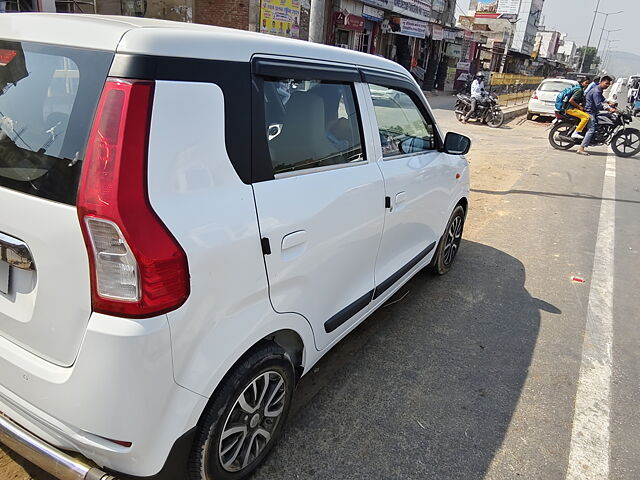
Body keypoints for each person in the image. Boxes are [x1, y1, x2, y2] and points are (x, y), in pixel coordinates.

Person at [577, 76, 616, 156]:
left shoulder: (599, 90)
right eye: (606, 83)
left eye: (608, 84)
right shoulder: (596, 91)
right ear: (601, 82)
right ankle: (581, 148)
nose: (607, 85)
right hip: (590, 111)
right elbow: (598, 104)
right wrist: (609, 109)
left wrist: (609, 102)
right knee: (591, 129)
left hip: (594, 111)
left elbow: (601, 99)